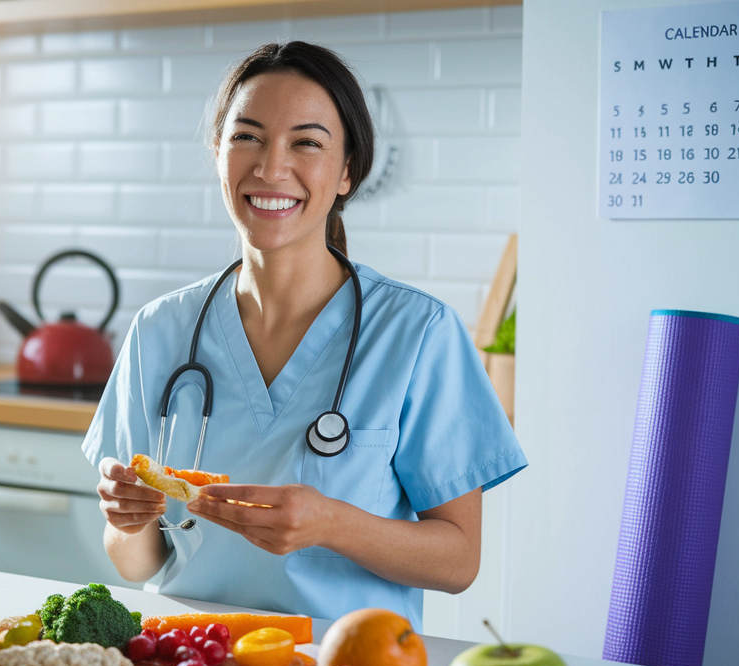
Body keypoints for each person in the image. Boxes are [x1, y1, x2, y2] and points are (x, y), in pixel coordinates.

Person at [81, 41, 525, 630]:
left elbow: (458, 561)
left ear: (346, 172)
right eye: (248, 137)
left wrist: (331, 524)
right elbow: (139, 564)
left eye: (306, 143)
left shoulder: (418, 333)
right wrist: (129, 522)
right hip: (193, 662)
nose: (269, 168)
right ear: (219, 153)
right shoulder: (160, 330)